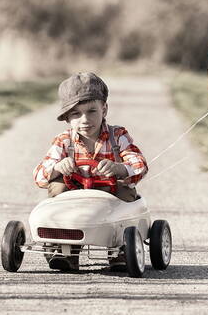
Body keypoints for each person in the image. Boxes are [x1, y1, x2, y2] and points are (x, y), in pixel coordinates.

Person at [32, 72, 149, 271]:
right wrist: (58, 167)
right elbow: (39, 176)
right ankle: (63, 249)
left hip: (111, 195)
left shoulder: (117, 136)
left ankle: (121, 246)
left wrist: (119, 168)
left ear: (104, 109)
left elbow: (140, 164)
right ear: (67, 118)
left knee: (126, 191)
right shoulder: (64, 141)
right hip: (74, 198)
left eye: (92, 111)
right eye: (76, 114)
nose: (85, 120)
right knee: (56, 186)